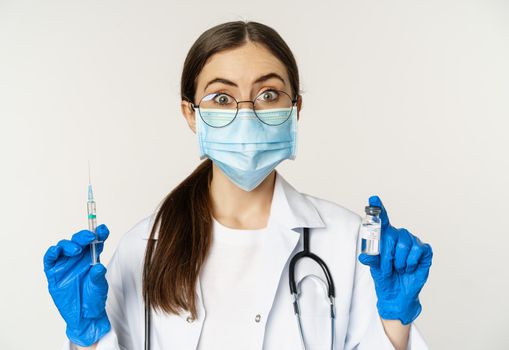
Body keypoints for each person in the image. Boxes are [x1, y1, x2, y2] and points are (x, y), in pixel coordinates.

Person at [43, 20, 433, 350]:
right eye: (222, 98)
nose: (246, 115)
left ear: (294, 109)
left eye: (268, 94)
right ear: (191, 115)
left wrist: (395, 323)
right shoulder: (143, 250)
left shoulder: (351, 244)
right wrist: (87, 336)